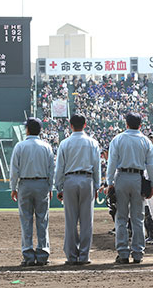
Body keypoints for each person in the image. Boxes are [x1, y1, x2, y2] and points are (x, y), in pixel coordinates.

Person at [106, 112, 153, 264]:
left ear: (126, 124)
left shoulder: (118, 139)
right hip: (138, 178)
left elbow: (112, 162)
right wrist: (152, 184)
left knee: (121, 217)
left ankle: (122, 253)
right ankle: (138, 253)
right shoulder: (146, 141)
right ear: (140, 125)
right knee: (138, 218)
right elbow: (152, 165)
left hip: (121, 176)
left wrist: (110, 182)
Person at [55, 114, 101, 265]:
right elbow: (97, 166)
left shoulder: (65, 143)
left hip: (69, 180)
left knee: (71, 221)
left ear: (70, 125)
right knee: (87, 221)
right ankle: (84, 256)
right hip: (87, 180)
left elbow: (59, 167)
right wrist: (97, 185)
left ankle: (71, 256)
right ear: (85, 124)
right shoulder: (92, 143)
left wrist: (58, 186)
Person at [10, 117, 55, 266]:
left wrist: (13, 188)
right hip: (42, 183)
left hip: (25, 184)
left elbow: (14, 170)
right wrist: (50, 187)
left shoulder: (20, 146)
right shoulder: (46, 146)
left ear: (27, 129)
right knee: (42, 220)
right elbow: (51, 170)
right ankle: (42, 255)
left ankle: (28, 255)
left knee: (26, 220)